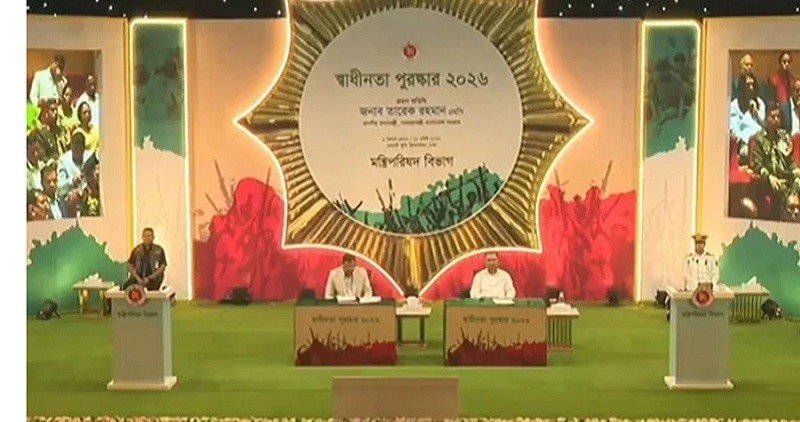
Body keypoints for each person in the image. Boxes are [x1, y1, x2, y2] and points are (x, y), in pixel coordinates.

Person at [746, 104, 800, 220]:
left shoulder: (785, 137)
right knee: (784, 192)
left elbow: (791, 161)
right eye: (772, 117)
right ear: (766, 118)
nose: (776, 120)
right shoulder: (758, 139)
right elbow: (757, 164)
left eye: (778, 117)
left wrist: (796, 174)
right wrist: (769, 177)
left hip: (786, 178)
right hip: (769, 181)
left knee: (797, 184)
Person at [57, 131, 94, 216]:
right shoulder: (63, 161)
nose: (78, 150)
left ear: (84, 147)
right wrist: (72, 182)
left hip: (87, 198)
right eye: (75, 147)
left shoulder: (89, 158)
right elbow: (60, 188)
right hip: (70, 202)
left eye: (80, 147)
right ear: (71, 146)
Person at [730, 72, 766, 158]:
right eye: (748, 85)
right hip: (745, 144)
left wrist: (757, 114)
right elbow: (734, 130)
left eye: (753, 85)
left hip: (761, 141)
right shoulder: (734, 105)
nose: (751, 88)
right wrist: (747, 114)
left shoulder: (760, 103)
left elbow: (765, 126)